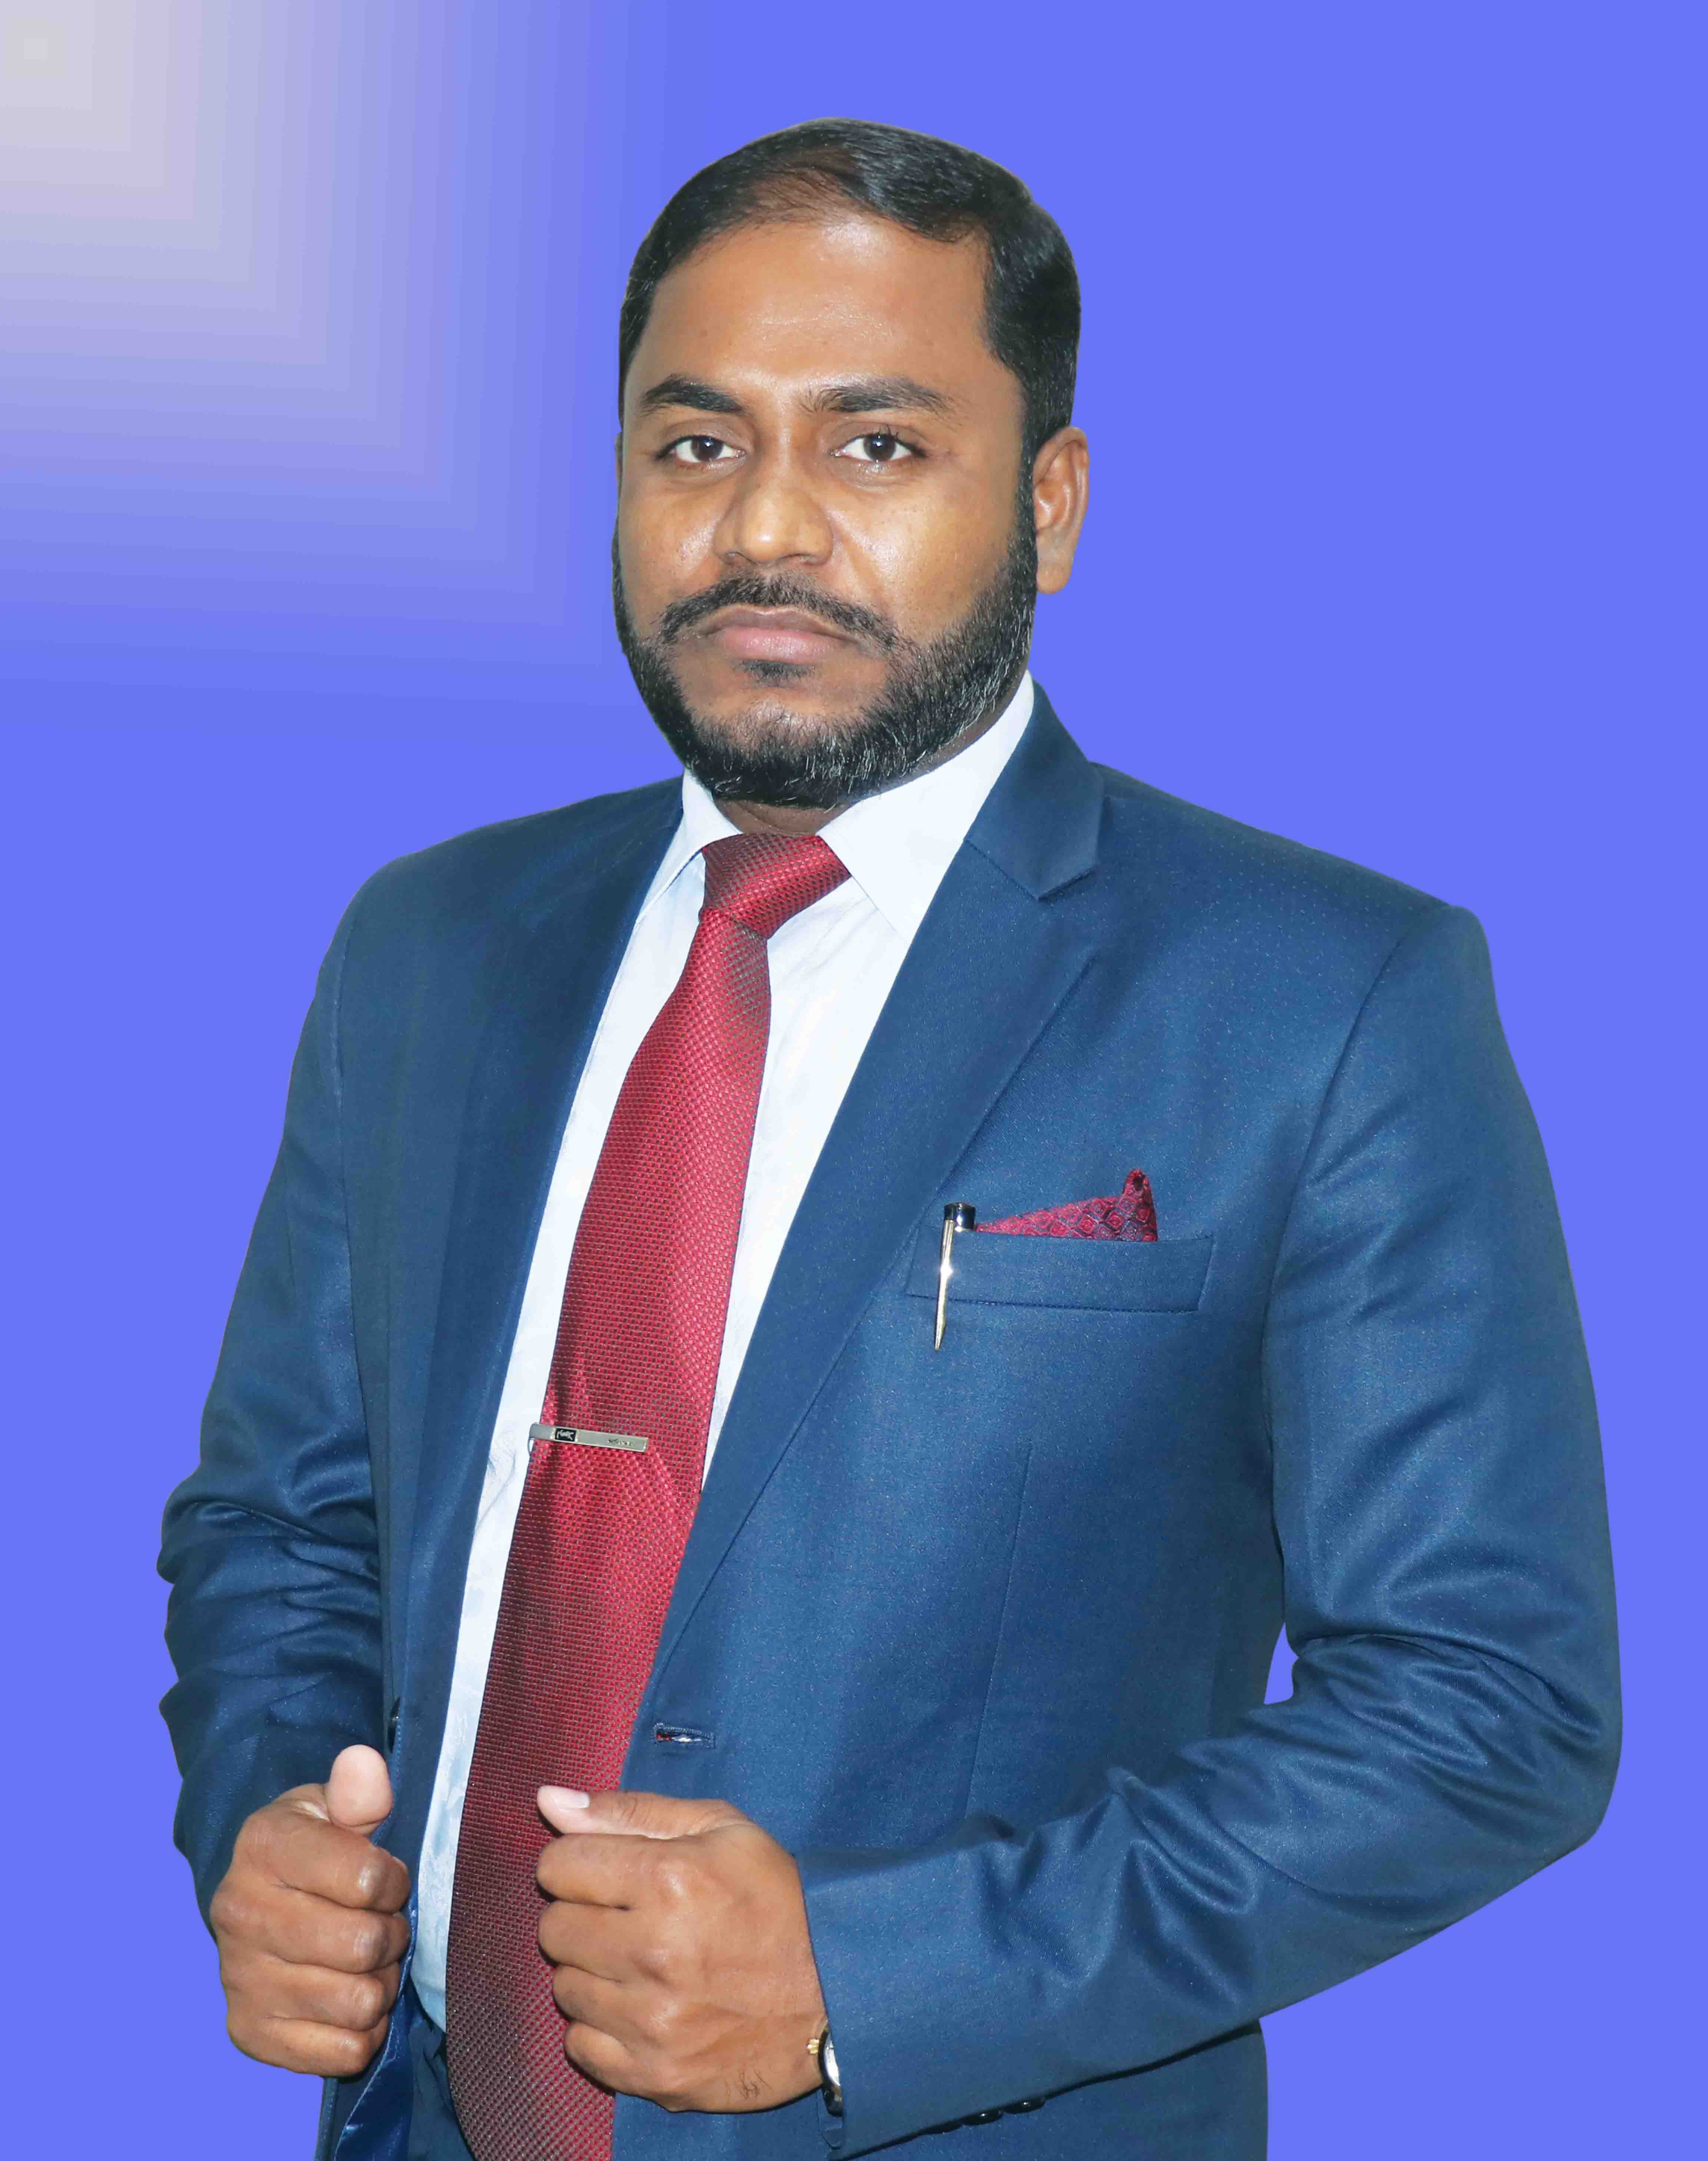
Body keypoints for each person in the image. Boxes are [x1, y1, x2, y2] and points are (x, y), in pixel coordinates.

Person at [159, 119, 1619, 2161]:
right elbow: (281, 1523)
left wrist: (872, 1977)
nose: (764, 527)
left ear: (1050, 500)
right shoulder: (432, 946)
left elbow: (1489, 1708)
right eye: (694, 444)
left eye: (875, 446)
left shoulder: (1324, 998)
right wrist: (272, 1815)